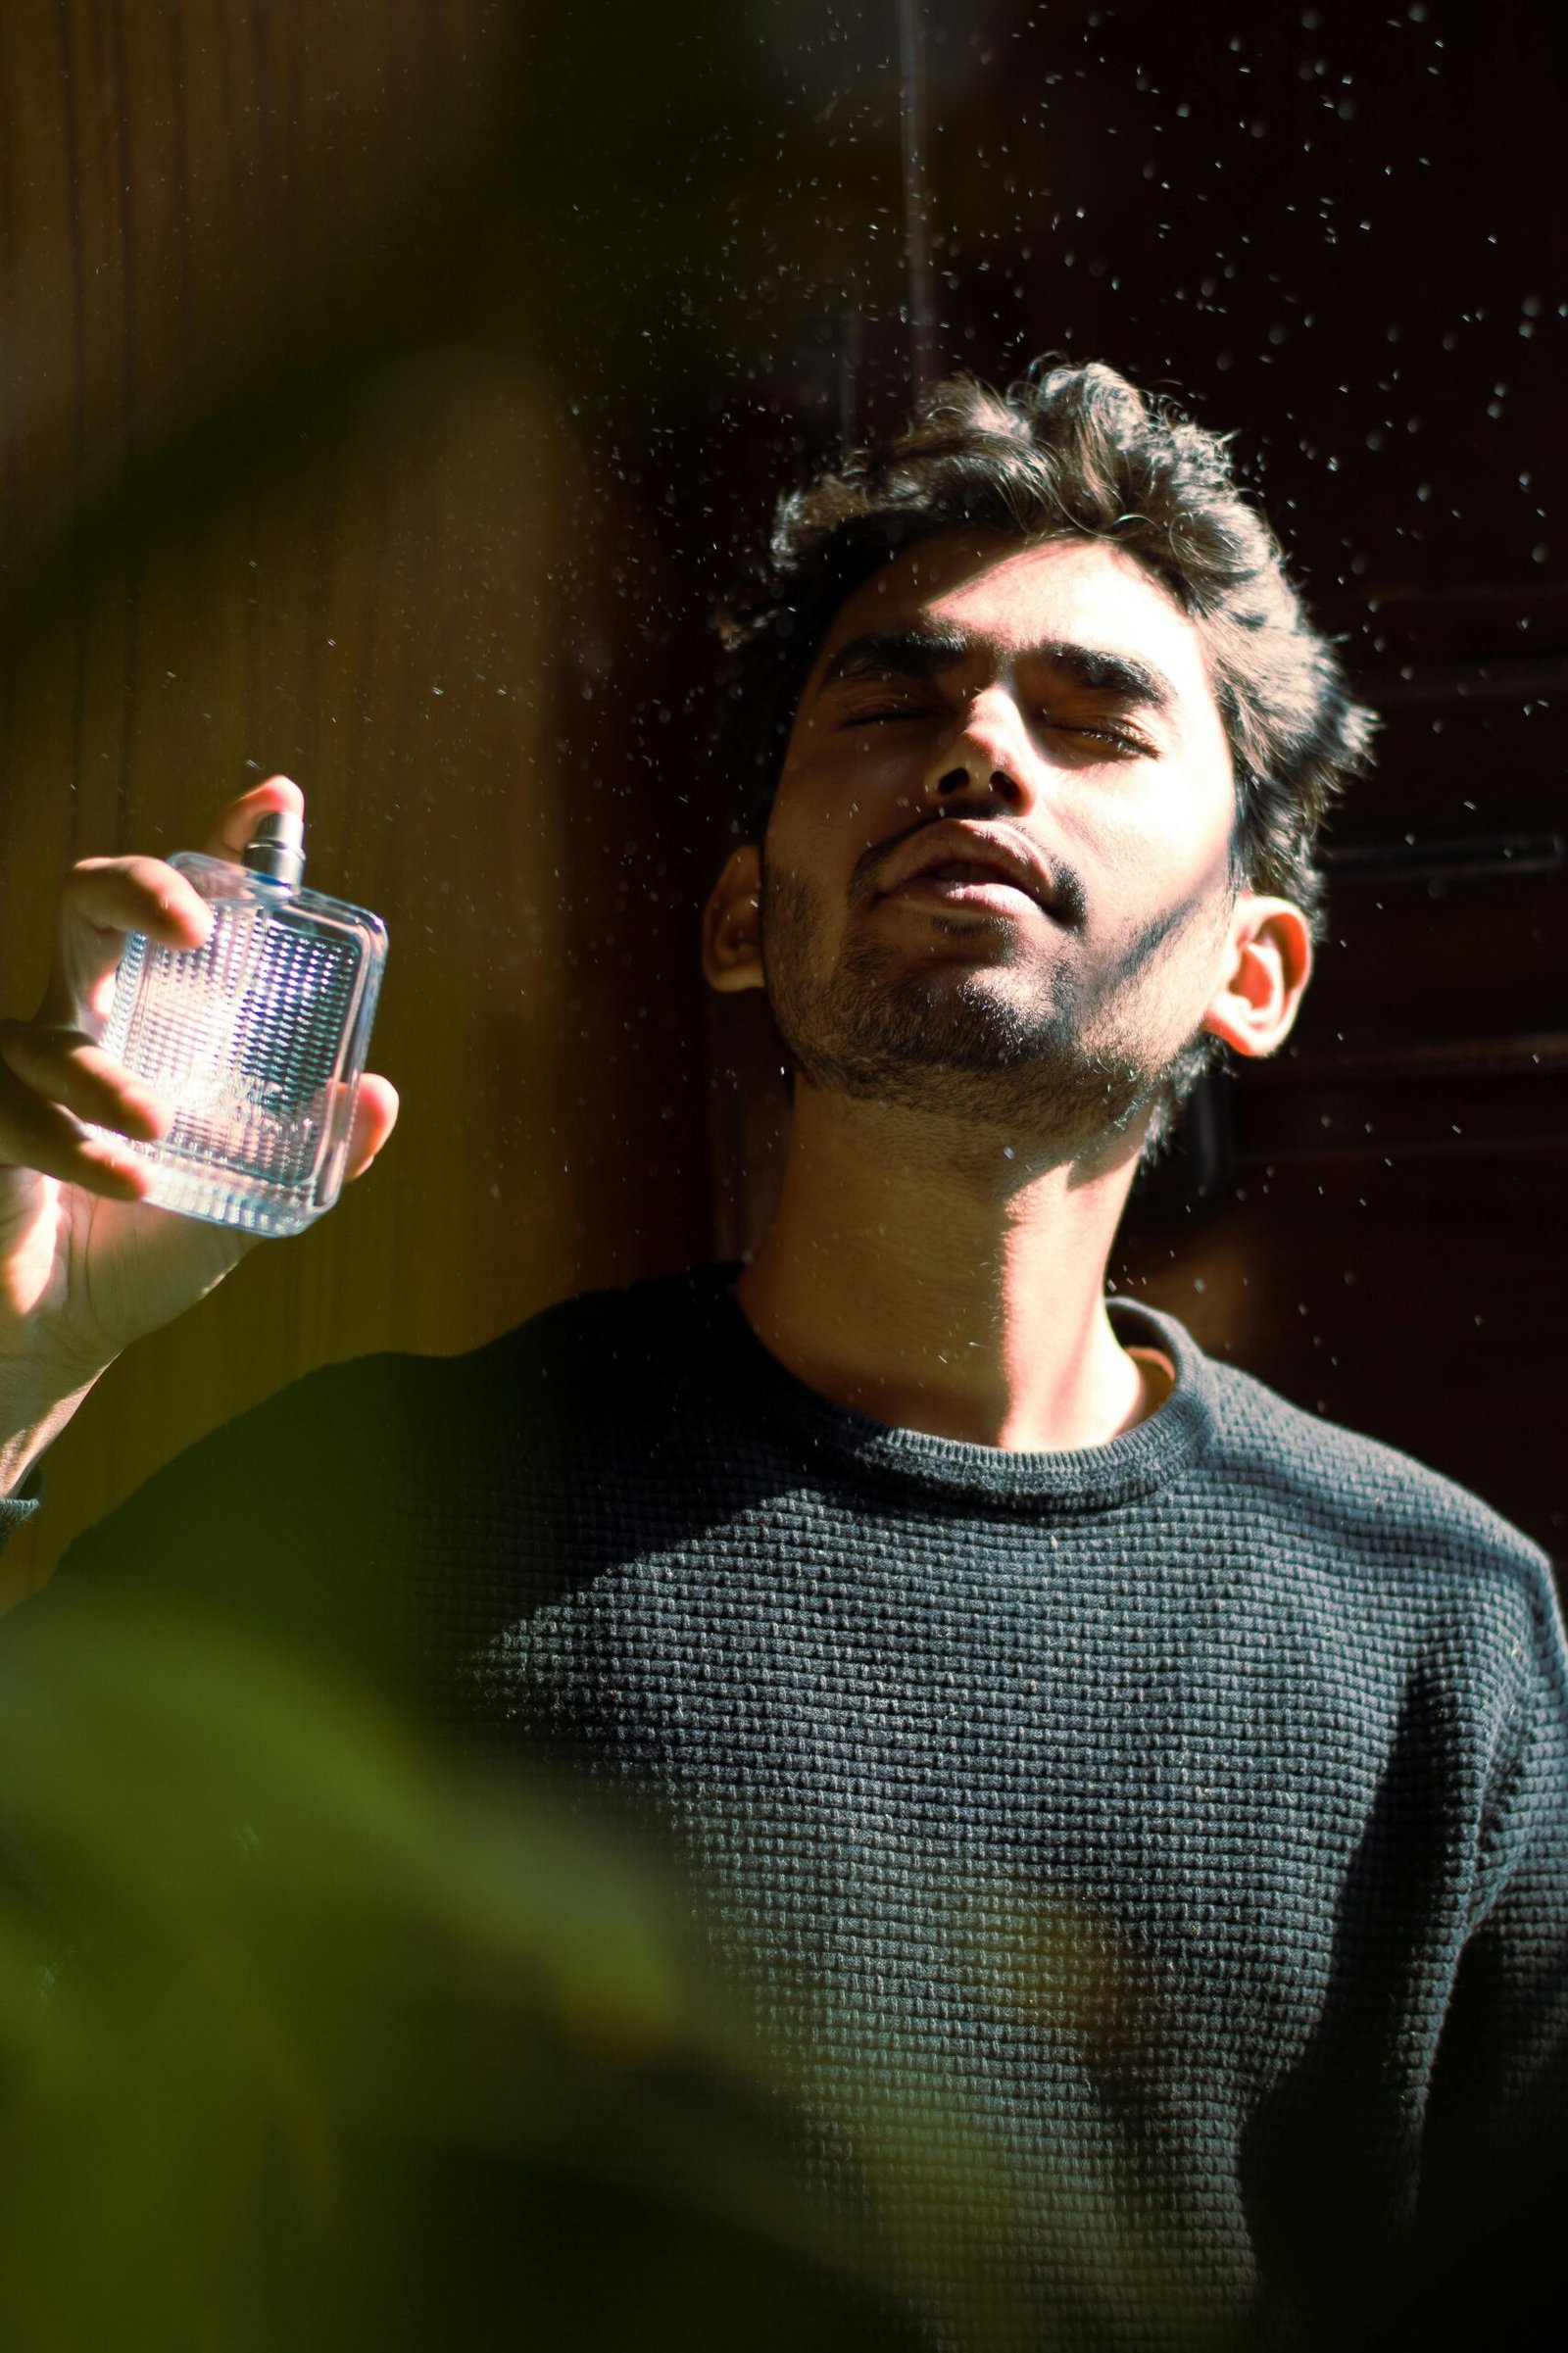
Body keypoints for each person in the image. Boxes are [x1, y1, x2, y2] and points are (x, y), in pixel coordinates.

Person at [1, 362, 1564, 2347]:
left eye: (1088, 717)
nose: (979, 749)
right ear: (744, 911)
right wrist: (26, 1342)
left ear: (1252, 970)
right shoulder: (396, 1512)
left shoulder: (1428, 1633)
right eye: (892, 701)